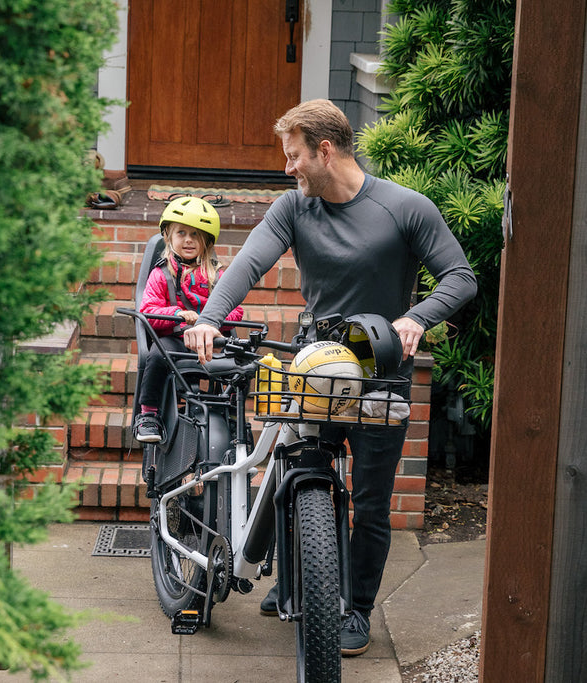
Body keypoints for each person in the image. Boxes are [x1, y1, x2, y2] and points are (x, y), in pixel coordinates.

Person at [183, 99, 477, 656]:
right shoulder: (294, 208)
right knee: (297, 470)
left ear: (324, 150)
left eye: (294, 156)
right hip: (314, 366)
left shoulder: (405, 208)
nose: (288, 168)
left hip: (380, 374)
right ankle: (300, 582)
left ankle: (356, 610)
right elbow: (247, 264)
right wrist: (207, 319)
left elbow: (460, 278)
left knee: (370, 502)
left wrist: (416, 317)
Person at [134, 196, 244, 443]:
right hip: (175, 340)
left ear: (206, 241)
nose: (188, 240)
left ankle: (235, 414)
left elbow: (237, 312)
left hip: (211, 342)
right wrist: (177, 314)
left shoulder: (218, 275)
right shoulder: (161, 274)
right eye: (181, 233)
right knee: (157, 354)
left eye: (196, 234)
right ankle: (149, 415)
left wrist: (211, 320)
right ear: (168, 237)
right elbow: (149, 309)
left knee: (240, 362)